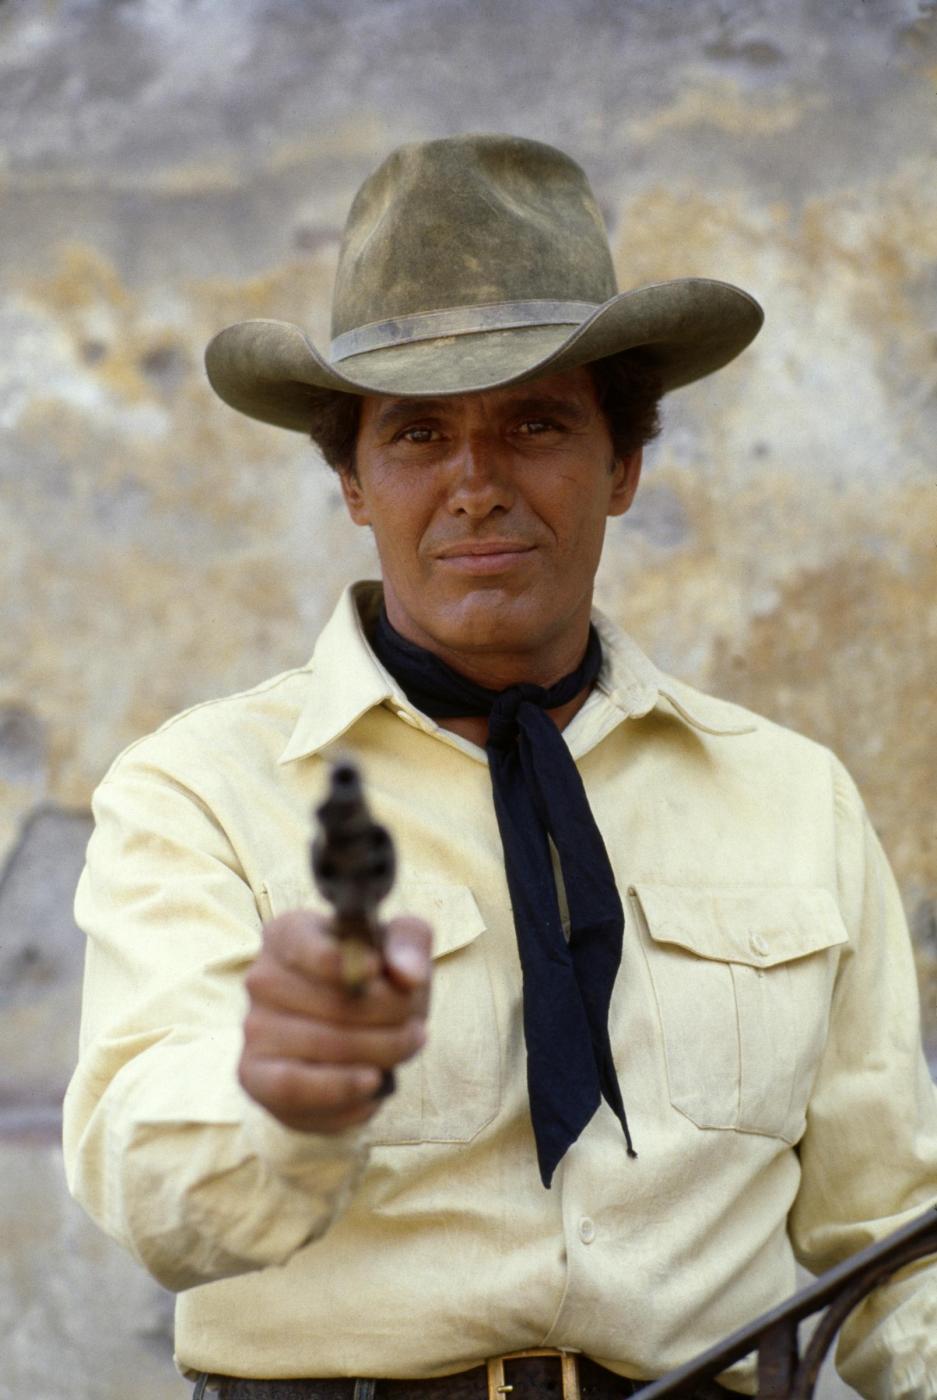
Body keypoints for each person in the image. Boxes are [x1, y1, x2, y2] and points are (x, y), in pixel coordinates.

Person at [63, 134, 937, 1399]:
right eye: (418, 433)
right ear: (353, 481)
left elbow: (893, 1240)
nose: (475, 485)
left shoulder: (795, 800)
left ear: (622, 464)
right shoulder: (199, 790)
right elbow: (151, 1189)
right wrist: (282, 1090)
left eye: (534, 422)